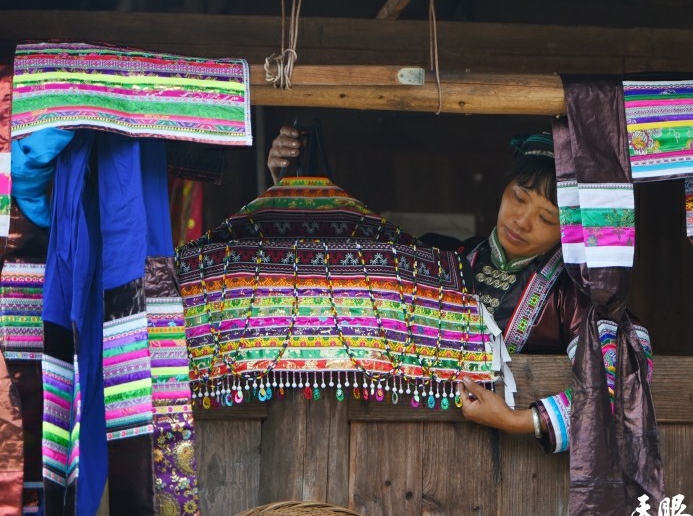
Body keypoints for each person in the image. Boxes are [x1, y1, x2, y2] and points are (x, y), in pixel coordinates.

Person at [268, 126, 648, 453]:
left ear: (570, 232)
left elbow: (624, 377)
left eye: (546, 218)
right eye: (518, 197)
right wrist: (291, 181)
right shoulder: (439, 258)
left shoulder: (570, 297)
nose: (521, 220)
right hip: (395, 450)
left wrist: (518, 420)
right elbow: (341, 278)